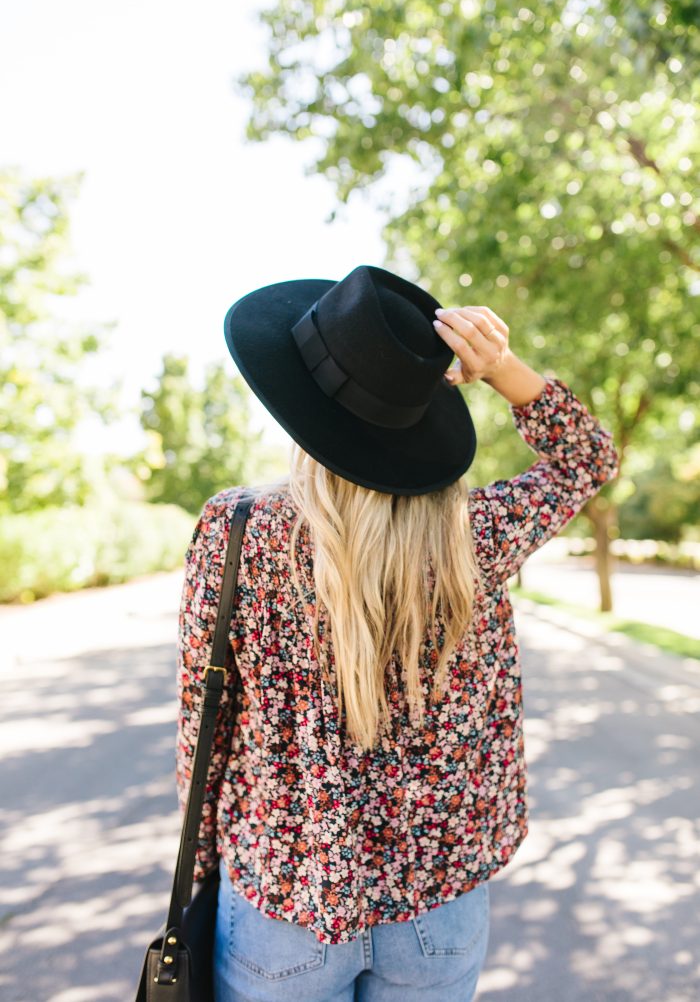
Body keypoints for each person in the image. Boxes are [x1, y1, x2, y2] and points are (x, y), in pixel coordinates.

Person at [175, 265, 619, 1002]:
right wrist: (501, 366)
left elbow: (204, 720)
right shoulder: (473, 537)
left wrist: (204, 866)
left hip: (287, 896)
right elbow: (587, 458)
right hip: (436, 907)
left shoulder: (239, 530)